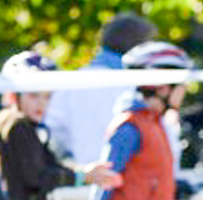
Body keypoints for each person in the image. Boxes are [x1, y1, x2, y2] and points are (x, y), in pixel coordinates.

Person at [0, 51, 122, 200]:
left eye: (47, 96)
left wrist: (84, 172)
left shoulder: (27, 126)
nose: (42, 104)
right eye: (34, 95)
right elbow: (37, 176)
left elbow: (51, 164)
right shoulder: (18, 125)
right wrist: (81, 176)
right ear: (13, 96)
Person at [88, 41, 195, 200]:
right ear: (163, 87)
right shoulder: (130, 127)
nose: (184, 92)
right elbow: (106, 178)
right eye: (181, 85)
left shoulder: (157, 124)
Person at [44, 13, 157, 164]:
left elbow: (52, 132)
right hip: (126, 179)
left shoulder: (72, 82)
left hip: (81, 178)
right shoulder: (139, 87)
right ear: (139, 47)